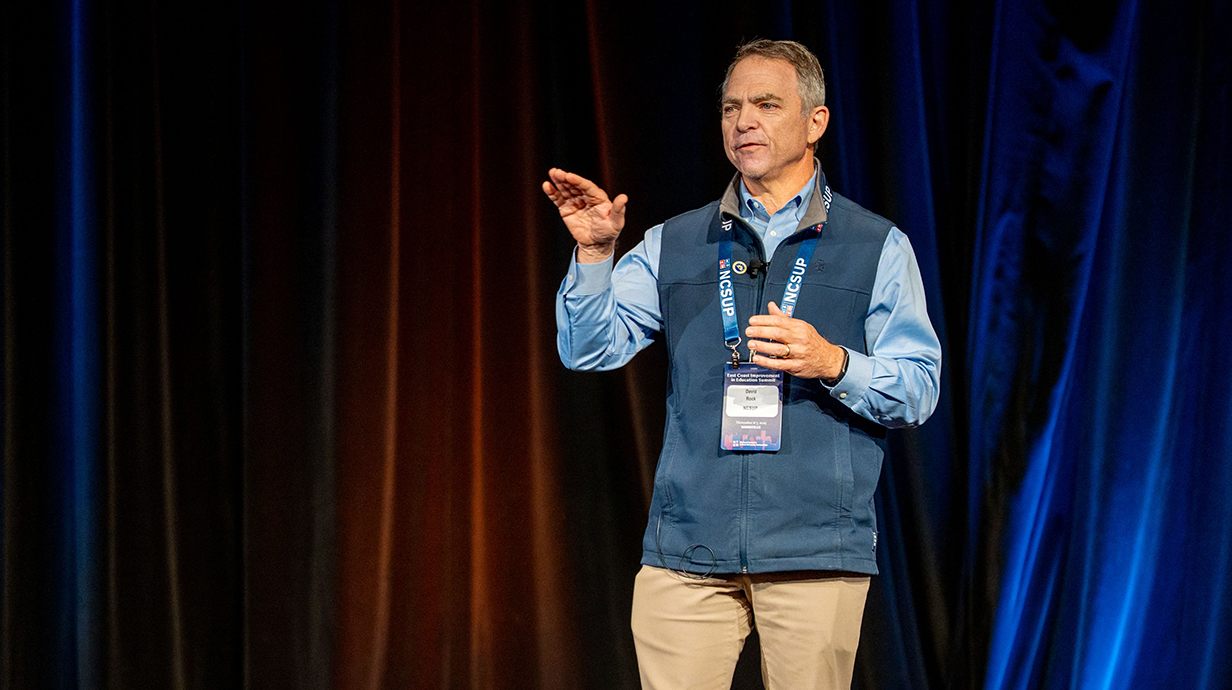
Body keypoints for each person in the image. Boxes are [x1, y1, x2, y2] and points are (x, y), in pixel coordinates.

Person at [546, 39, 941, 690]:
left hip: (814, 551)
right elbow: (589, 348)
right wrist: (595, 256)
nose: (743, 121)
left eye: (765, 104)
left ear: (816, 122)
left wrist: (833, 361)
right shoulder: (676, 241)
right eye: (731, 107)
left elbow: (918, 390)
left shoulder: (877, 247)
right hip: (687, 553)